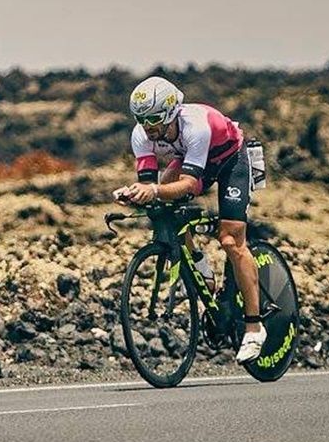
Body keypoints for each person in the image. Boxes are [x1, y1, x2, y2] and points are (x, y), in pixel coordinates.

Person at [112, 75, 266, 363]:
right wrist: (134, 193)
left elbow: (191, 185)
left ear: (171, 111)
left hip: (231, 160)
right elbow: (150, 185)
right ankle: (200, 266)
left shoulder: (195, 126)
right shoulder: (141, 135)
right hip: (193, 160)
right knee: (163, 211)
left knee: (231, 240)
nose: (149, 127)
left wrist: (155, 189)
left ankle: (254, 327)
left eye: (155, 119)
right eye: (141, 119)